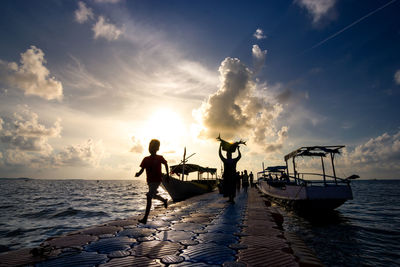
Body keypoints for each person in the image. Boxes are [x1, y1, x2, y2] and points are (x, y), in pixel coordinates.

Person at [135, 139, 169, 224]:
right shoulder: (146, 159)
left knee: (149, 196)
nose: (151, 149)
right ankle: (164, 200)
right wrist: (138, 174)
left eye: (153, 147)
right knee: (153, 195)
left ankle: (145, 218)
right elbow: (142, 169)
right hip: (149, 181)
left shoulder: (159, 158)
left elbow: (165, 164)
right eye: (150, 147)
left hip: (156, 180)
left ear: (157, 148)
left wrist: (168, 175)